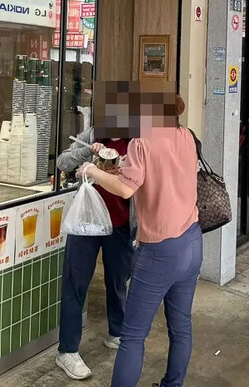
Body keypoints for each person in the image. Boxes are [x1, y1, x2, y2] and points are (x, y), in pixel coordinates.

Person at [81, 91, 200, 387]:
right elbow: (159, 171)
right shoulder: (186, 136)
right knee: (181, 327)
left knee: (132, 336)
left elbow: (125, 189)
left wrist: (92, 170)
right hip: (192, 241)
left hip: (160, 249)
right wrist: (119, 165)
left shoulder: (142, 142)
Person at [54, 127, 134, 381]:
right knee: (75, 283)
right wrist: (87, 152)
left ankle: (117, 332)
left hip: (121, 225)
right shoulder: (92, 135)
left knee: (118, 281)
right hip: (85, 223)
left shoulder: (136, 142)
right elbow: (62, 162)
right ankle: (67, 350)